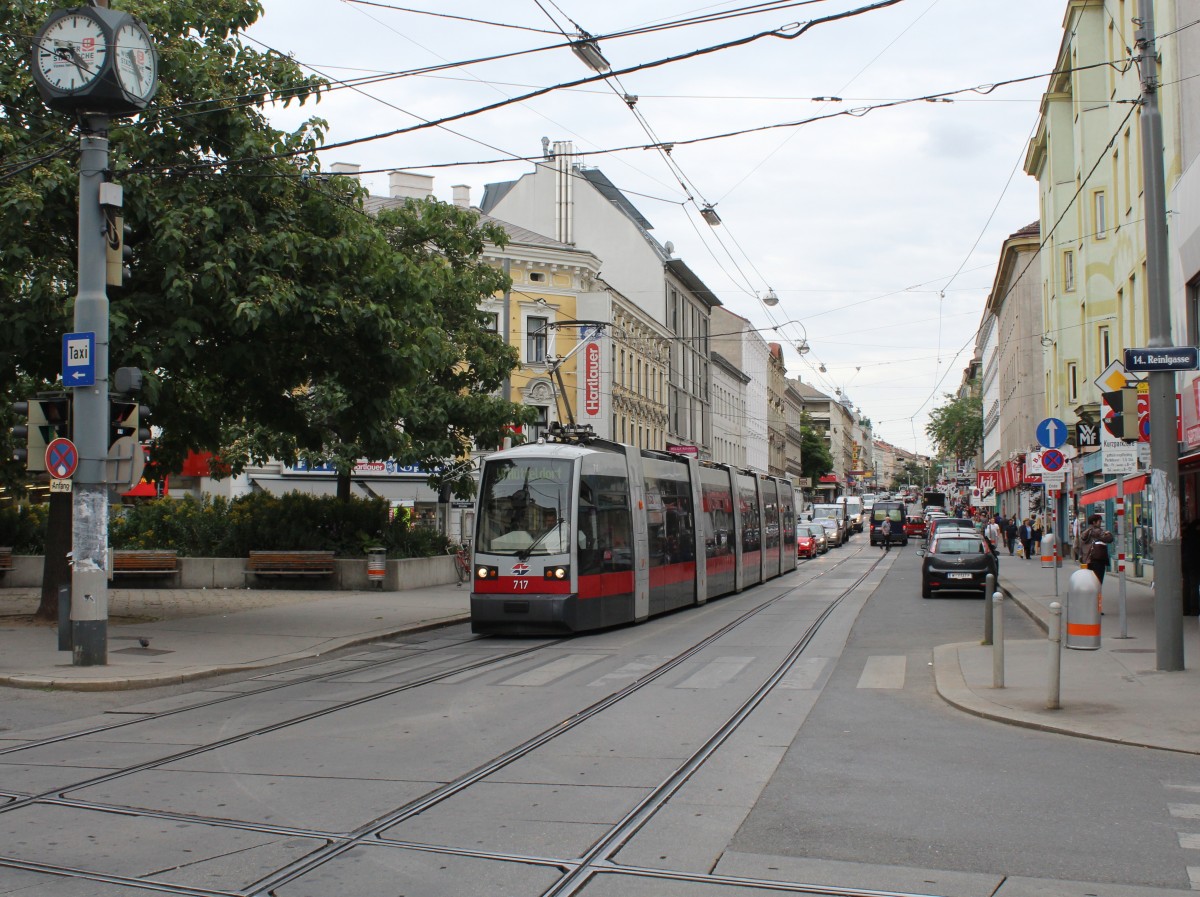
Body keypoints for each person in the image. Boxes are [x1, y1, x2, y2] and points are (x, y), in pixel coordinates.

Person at [1078, 512, 1114, 594]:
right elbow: (1109, 539)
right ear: (1094, 522)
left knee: (1090, 582)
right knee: (1098, 582)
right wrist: (1108, 533)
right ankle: (1096, 602)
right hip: (1097, 560)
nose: (1100, 523)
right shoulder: (1097, 531)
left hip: (1087, 560)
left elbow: (1079, 547)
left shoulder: (1085, 532)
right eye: (1099, 521)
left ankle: (1089, 598)